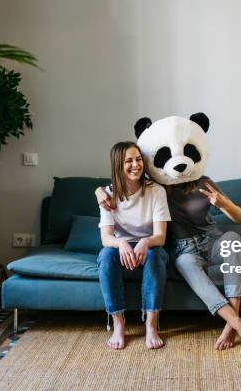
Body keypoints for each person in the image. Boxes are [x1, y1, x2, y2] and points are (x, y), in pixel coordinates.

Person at [97, 176, 241, 352]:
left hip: (213, 240)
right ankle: (239, 324)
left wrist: (224, 205)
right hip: (184, 250)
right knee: (183, 263)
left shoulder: (204, 182)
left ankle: (232, 325)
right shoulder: (157, 187)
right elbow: (128, 180)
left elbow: (240, 217)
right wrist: (98, 191)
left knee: (233, 239)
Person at [97, 141, 171, 350]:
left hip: (151, 245)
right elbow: (106, 238)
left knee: (156, 256)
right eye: (128, 161)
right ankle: (119, 324)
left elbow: (160, 236)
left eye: (138, 159)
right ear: (118, 165)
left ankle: (151, 325)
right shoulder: (107, 195)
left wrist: (145, 242)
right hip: (121, 247)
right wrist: (121, 243)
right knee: (105, 256)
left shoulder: (156, 191)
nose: (135, 165)